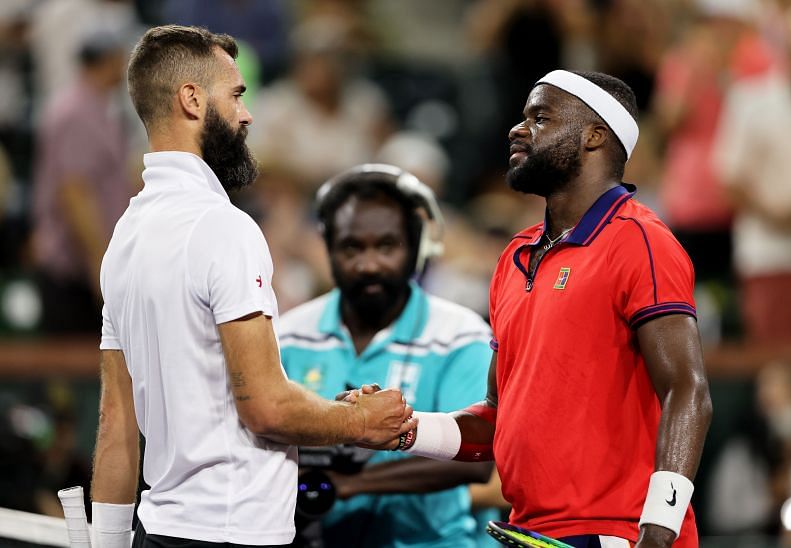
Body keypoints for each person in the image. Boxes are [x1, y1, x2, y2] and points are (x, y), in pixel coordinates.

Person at [354, 70, 713, 547]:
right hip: (530, 531)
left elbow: (688, 390)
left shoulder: (641, 241)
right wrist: (405, 429)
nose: (517, 129)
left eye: (540, 118)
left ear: (594, 136)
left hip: (621, 533)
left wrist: (658, 529)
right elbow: (495, 419)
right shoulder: (515, 256)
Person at [90, 25, 414, 548]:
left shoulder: (125, 236)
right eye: (237, 94)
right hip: (232, 533)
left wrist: (105, 545)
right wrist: (359, 420)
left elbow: (115, 422)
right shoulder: (226, 227)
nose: (247, 113)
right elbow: (265, 407)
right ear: (192, 100)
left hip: (160, 531)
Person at [278, 164, 496, 547]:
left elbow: (477, 462)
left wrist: (350, 485)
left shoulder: (460, 335)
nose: (369, 264)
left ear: (417, 248)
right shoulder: (287, 336)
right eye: (351, 247)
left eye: (386, 246)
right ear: (328, 248)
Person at [31, 29, 132, 333]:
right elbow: (75, 193)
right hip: (75, 271)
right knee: (77, 371)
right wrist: (99, 265)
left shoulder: (98, 107)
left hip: (90, 266)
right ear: (109, 60)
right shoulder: (75, 112)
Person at [712, 0, 791, 345]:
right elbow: (729, 178)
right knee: (774, 364)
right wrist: (775, 214)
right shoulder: (750, 98)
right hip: (768, 254)